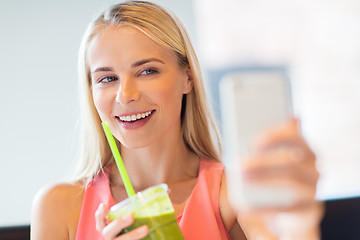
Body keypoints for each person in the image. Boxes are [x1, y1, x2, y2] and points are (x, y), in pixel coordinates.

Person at [31, 1, 323, 239]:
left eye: (147, 71)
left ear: (188, 77)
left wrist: (299, 227)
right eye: (107, 78)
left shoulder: (233, 195)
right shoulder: (58, 207)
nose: (125, 95)